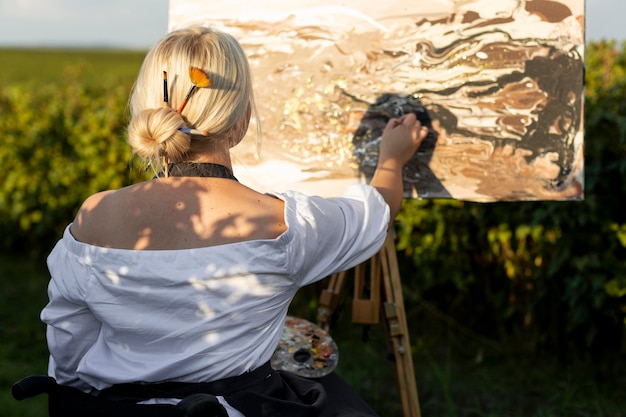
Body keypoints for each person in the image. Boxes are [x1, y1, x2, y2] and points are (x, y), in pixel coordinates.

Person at [39, 25, 428, 417]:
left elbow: (69, 339)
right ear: (240, 121)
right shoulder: (287, 226)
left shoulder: (93, 217)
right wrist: (391, 159)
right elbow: (375, 212)